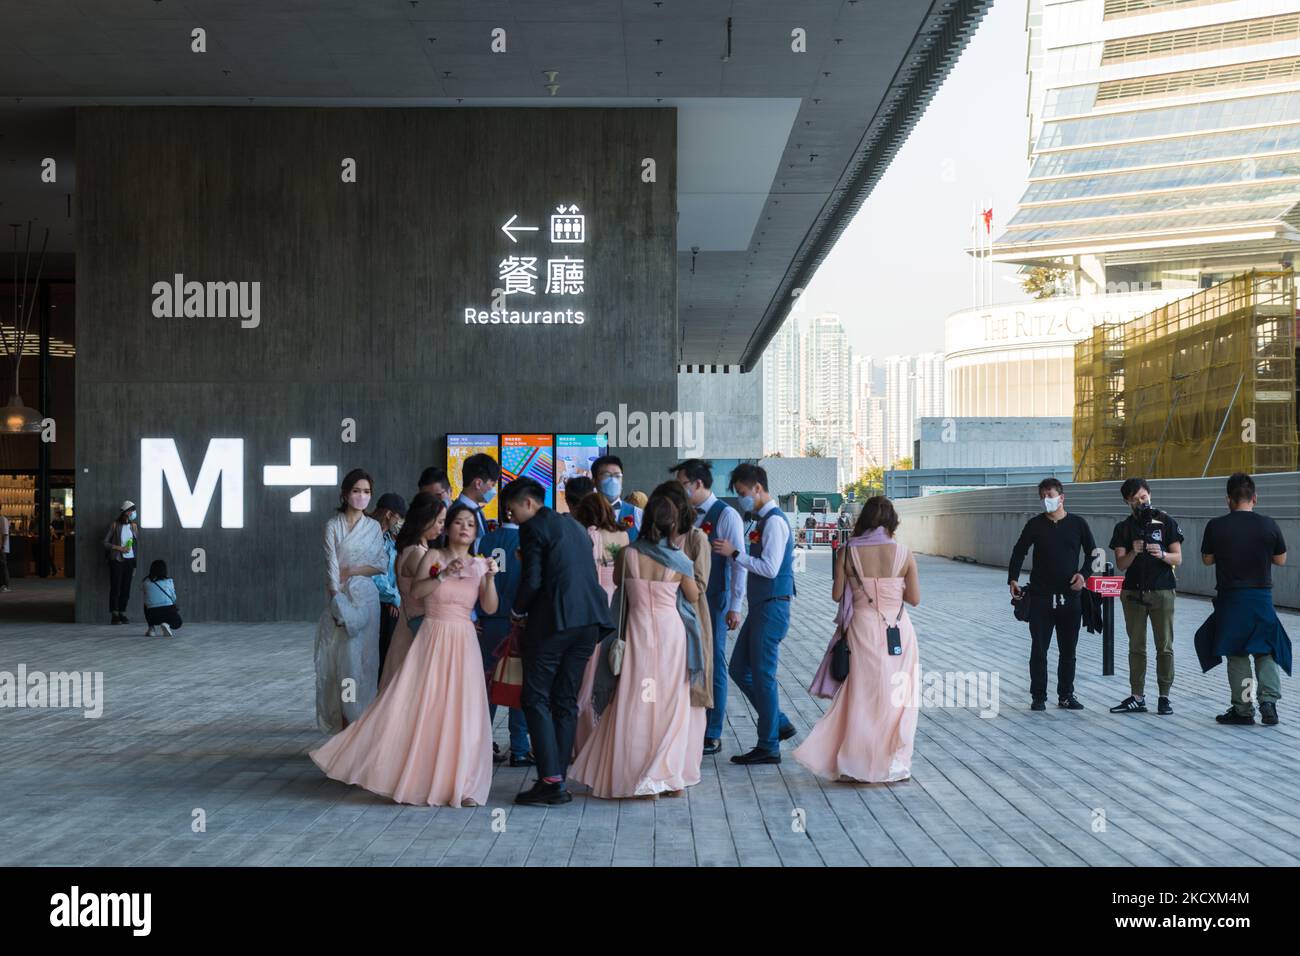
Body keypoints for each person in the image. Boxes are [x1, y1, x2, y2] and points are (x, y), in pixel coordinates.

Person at [310, 503, 500, 807]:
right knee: (421, 705)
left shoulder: (479, 565)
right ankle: (416, 775)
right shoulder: (433, 557)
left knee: (463, 710)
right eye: (458, 523)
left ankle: (461, 783)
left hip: (464, 641)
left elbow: (490, 608)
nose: (465, 528)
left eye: (470, 525)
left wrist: (490, 577)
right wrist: (442, 575)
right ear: (448, 527)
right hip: (432, 636)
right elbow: (418, 593)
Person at [570, 492, 704, 798]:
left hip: (638, 632)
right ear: (674, 526)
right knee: (671, 705)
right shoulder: (680, 560)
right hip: (671, 635)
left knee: (638, 701)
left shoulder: (628, 554)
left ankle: (640, 777)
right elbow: (694, 596)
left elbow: (619, 583)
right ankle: (667, 776)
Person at [502, 477, 613, 806]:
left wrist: (517, 611)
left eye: (512, 511)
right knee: (564, 699)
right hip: (590, 622)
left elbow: (532, 579)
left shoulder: (533, 528)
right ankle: (557, 779)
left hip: (554, 623)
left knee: (535, 696)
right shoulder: (574, 525)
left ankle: (550, 781)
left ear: (529, 504)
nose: (511, 517)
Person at [800, 496, 920, 782]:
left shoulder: (847, 551)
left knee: (862, 695)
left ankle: (856, 762)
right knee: (897, 696)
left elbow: (836, 595)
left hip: (862, 628)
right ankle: (893, 763)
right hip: (898, 630)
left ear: (863, 519)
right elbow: (914, 599)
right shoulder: (904, 553)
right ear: (893, 522)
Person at [712, 463, 798, 764]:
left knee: (762, 676)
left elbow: (770, 568)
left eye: (743, 493)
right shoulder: (761, 521)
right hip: (762, 606)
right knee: (738, 668)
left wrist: (735, 553)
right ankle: (779, 722)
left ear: (758, 488)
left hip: (772, 606)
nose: (742, 498)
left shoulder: (774, 522)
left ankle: (768, 744)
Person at [1197, 472, 1290, 726]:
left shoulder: (1216, 525)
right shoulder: (1268, 525)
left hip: (1231, 599)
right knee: (1265, 649)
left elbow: (1207, 560)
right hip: (1261, 598)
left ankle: (1243, 709)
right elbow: (1280, 560)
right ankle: (1268, 702)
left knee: (1237, 652)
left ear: (1228, 499)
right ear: (1255, 498)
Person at [672, 458, 745, 755]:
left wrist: (735, 606)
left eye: (682, 485)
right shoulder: (681, 515)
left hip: (714, 600)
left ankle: (712, 731)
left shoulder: (727, 516)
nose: (680, 491)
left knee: (713, 662)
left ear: (698, 484)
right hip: (681, 599)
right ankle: (688, 722)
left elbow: (739, 565)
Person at [1008, 478, 1095, 712]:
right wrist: (1013, 579)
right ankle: (1038, 696)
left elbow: (1093, 554)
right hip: (1040, 597)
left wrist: (1083, 575)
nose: (1048, 500)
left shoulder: (1078, 524)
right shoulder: (1035, 525)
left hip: (1070, 598)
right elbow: (1019, 551)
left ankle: (1066, 695)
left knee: (1069, 650)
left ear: (1062, 497)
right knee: (1039, 649)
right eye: (1044, 496)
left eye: (1051, 495)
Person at [314, 469, 387, 735]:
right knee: (344, 667)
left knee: (366, 665)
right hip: (342, 601)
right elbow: (331, 567)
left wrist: (354, 571)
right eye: (356, 491)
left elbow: (380, 564)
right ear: (345, 494)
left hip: (367, 601)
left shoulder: (374, 527)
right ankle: (346, 727)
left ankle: (362, 729)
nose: (361, 496)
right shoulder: (333, 525)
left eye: (366, 492)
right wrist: (336, 601)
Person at [1107, 478, 1182, 716]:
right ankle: (1137, 696)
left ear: (1149, 494)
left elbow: (1177, 558)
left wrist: (1161, 554)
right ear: (1127, 502)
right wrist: (1133, 551)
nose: (1141, 501)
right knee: (1136, 646)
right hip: (1132, 592)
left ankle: (1164, 696)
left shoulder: (1166, 521)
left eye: (1143, 496)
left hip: (1162, 591)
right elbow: (1120, 564)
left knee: (1165, 645)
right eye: (1135, 499)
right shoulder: (1123, 528)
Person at [570, 490, 630, 758]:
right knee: (610, 670)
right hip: (616, 602)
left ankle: (585, 744)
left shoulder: (590, 534)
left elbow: (588, 574)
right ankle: (610, 741)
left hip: (593, 603)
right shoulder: (623, 536)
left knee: (588, 677)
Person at [477, 507, 534, 767]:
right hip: (518, 621)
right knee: (518, 683)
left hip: (487, 620)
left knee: (488, 683)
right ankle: (520, 748)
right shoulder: (528, 539)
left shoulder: (484, 539)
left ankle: (483, 743)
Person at [378, 493, 446, 693]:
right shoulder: (417, 554)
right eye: (440, 521)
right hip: (417, 630)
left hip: (407, 627)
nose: (442, 526)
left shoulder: (411, 549)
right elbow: (434, 595)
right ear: (426, 520)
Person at [371, 492, 408, 689]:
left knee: (388, 653)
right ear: (389, 515)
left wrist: (394, 597)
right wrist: (394, 598)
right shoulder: (370, 534)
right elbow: (375, 573)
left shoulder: (388, 537)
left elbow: (393, 570)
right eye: (399, 518)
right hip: (374, 602)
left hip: (388, 602)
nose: (400, 522)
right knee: (381, 654)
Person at [103, 500, 140, 625]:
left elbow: (136, 546)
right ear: (127, 512)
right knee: (116, 587)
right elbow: (105, 543)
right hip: (117, 560)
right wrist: (119, 548)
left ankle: (122, 612)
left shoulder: (133, 526)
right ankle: (114, 614)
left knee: (126, 588)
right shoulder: (114, 525)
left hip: (130, 560)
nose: (134, 513)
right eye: (132, 511)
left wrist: (135, 564)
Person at [455, 453, 501, 551]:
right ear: (478, 483)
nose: (493, 490)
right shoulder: (459, 513)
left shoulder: (476, 510)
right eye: (492, 485)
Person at [592, 455, 643, 541]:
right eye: (606, 475)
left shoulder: (637, 515)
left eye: (617, 476)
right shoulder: (586, 513)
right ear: (594, 481)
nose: (613, 480)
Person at [141, 559, 182, 637]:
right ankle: (166, 624)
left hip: (153, 616)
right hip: (168, 612)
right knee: (178, 623)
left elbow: (146, 595)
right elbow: (174, 598)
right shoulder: (169, 581)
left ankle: (151, 629)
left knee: (146, 604)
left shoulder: (145, 581)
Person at [0, 510, 10, 592]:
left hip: (1, 547)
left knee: (3, 566)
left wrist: (2, 546)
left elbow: (5, 534)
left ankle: (5, 586)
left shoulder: (3, 519)